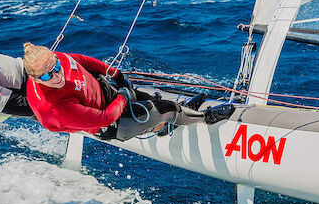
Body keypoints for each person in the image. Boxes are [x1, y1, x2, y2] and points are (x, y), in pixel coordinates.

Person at [22, 42, 234, 141]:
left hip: (107, 93)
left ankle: (166, 124)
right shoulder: (53, 108)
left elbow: (85, 61)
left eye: (56, 67)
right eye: (47, 76)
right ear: (34, 78)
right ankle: (207, 117)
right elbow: (104, 118)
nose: (57, 75)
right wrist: (124, 96)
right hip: (111, 124)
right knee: (166, 108)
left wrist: (115, 74)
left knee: (149, 98)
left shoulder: (53, 59)